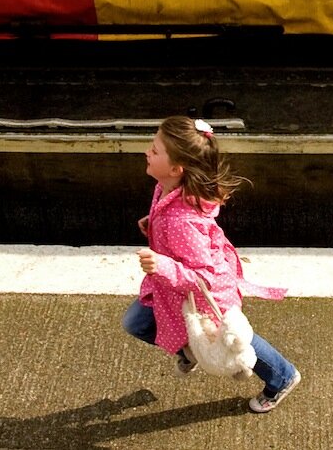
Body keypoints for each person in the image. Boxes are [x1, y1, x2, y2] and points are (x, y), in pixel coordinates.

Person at [121, 115, 301, 414]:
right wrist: (153, 224)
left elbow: (203, 275)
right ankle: (188, 350)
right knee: (138, 323)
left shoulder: (184, 220)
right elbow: (172, 222)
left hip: (204, 294)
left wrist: (163, 265)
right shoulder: (168, 189)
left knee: (236, 341)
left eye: (154, 149)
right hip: (174, 291)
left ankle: (282, 377)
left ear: (176, 169)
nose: (147, 152)